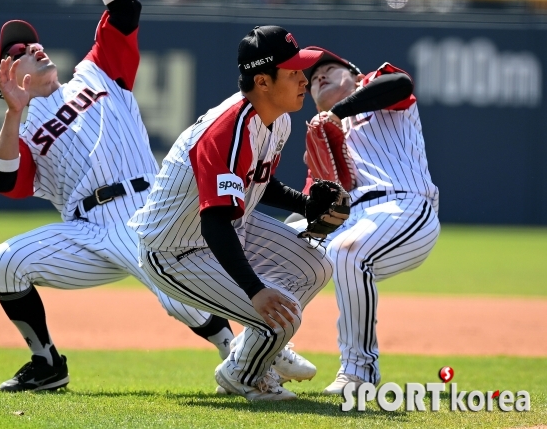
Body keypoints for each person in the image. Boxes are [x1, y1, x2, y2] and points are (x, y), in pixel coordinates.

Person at [0, 0, 234, 392]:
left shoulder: (96, 73)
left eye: (31, 42)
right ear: (6, 76)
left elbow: (125, 5)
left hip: (144, 205)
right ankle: (47, 363)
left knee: (175, 293)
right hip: (87, 230)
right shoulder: (21, 128)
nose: (33, 47)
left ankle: (242, 354)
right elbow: (3, 178)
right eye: (18, 52)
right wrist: (13, 113)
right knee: (4, 262)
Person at [129, 26, 346, 402]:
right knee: (282, 314)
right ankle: (245, 374)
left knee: (317, 265)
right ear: (263, 80)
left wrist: (305, 204)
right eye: (293, 71)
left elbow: (260, 182)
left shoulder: (277, 119)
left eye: (302, 69)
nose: (303, 79)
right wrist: (255, 291)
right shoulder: (225, 131)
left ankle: (258, 348)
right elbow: (214, 221)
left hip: (224, 228)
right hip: (175, 251)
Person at [290, 47, 440, 394]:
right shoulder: (321, 137)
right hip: (350, 219)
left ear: (356, 75)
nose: (319, 77)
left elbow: (400, 83)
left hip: (404, 208)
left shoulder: (374, 88)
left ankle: (359, 373)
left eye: (328, 68)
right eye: (312, 80)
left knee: (348, 251)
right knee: (276, 248)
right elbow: (312, 205)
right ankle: (252, 362)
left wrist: (338, 111)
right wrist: (282, 233)